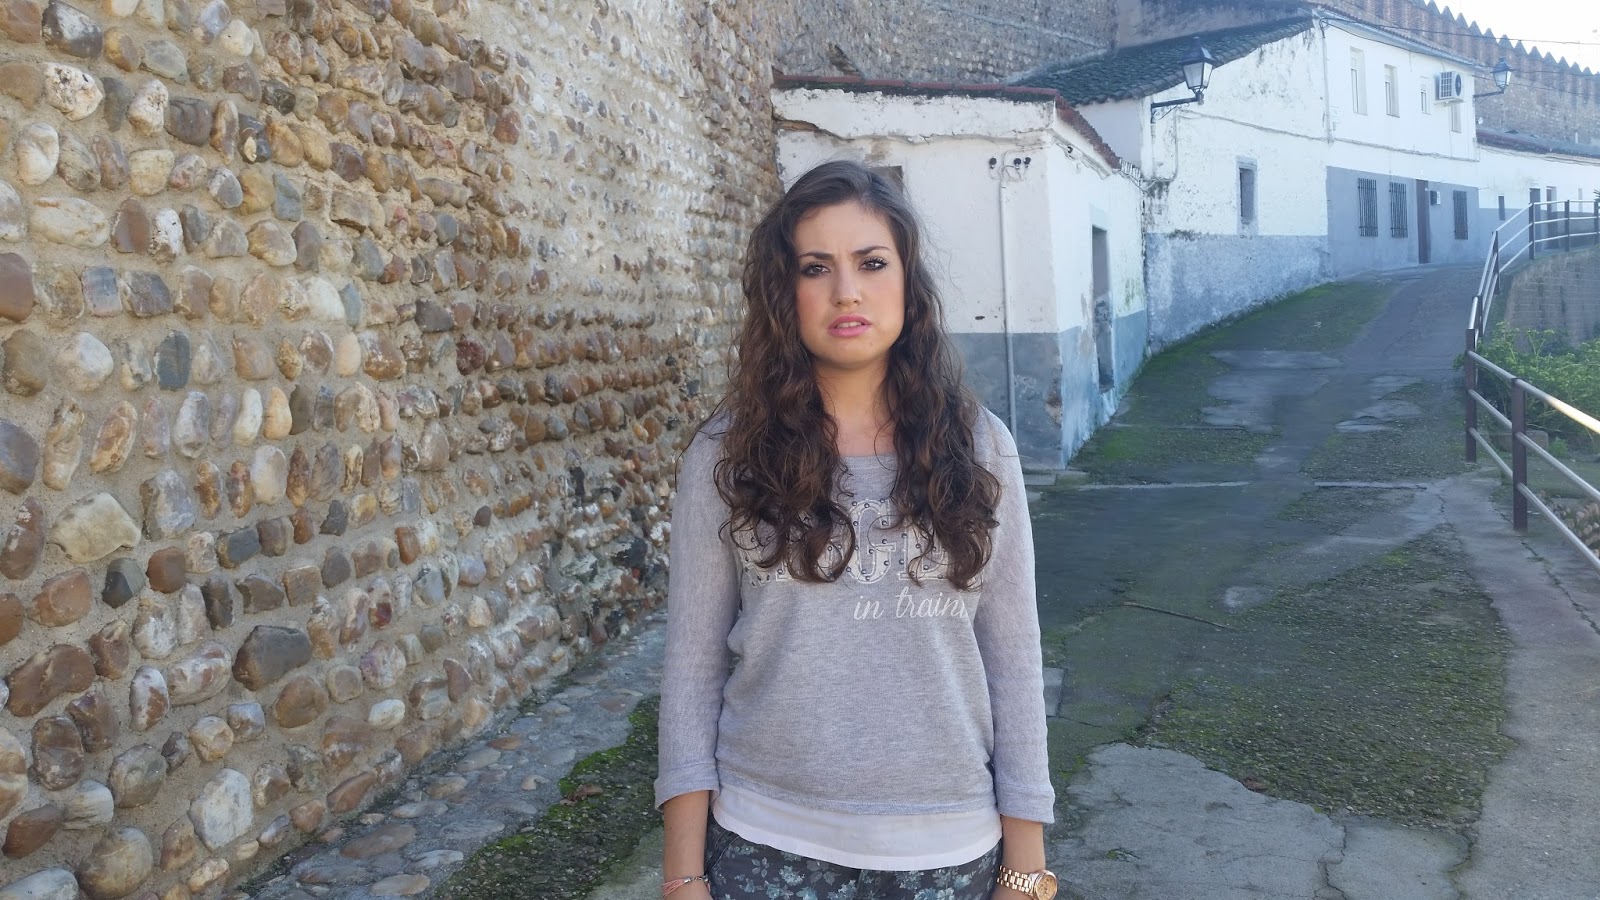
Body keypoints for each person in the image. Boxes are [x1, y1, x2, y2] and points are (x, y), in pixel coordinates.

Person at [654, 160, 1057, 900]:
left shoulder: (980, 447)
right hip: (765, 845)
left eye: (872, 263)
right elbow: (691, 670)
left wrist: (1026, 872)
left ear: (908, 280)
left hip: (949, 852)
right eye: (815, 268)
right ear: (784, 293)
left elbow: (1014, 661)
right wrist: (683, 877)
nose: (847, 291)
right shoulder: (726, 455)